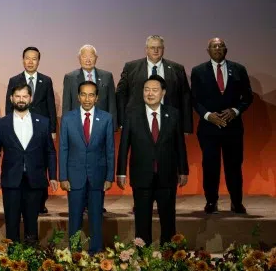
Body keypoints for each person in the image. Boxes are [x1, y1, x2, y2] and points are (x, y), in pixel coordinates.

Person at [117, 75, 189, 246]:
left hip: (167, 176)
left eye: (154, 90)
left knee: (168, 221)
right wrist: (121, 172)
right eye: (146, 90)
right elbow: (124, 145)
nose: (150, 93)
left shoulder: (173, 114)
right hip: (141, 176)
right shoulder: (132, 114)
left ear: (163, 92)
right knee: (142, 221)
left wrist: (183, 170)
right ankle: (143, 256)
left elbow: (180, 144)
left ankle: (169, 255)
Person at [0, 84, 58, 245]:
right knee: (11, 223)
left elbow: (50, 151)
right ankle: (12, 257)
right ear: (11, 98)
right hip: (11, 180)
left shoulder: (43, 122)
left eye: (25, 96)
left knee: (32, 223)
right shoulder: (1, 124)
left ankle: (31, 257)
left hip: (35, 180)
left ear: (30, 98)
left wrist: (53, 176)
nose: (21, 100)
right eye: (18, 96)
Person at [191, 38, 253, 214]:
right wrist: (208, 116)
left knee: (234, 166)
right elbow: (194, 99)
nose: (217, 48)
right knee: (210, 166)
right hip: (208, 128)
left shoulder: (239, 69)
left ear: (226, 49)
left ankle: (236, 202)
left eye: (220, 46)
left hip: (233, 128)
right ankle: (211, 201)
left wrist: (235, 111)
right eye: (214, 46)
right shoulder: (198, 71)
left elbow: (247, 97)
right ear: (208, 50)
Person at [58, 81, 114, 254]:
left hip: (98, 175)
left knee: (96, 217)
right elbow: (63, 148)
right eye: (83, 94)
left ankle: (96, 252)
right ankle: (74, 253)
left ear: (97, 98)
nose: (87, 99)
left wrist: (109, 176)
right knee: (75, 217)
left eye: (91, 95)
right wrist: (63, 176)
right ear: (78, 97)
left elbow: (110, 149)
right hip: (74, 176)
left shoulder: (106, 118)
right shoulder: (68, 118)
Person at [5, 46, 58, 214]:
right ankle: (21, 200)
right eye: (27, 58)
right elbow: (9, 106)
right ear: (23, 60)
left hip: (41, 130)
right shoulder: (14, 80)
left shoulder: (46, 80)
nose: (30, 61)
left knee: (41, 164)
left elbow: (50, 106)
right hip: (19, 126)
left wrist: (52, 129)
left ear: (38, 61)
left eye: (34, 59)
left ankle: (40, 202)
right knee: (21, 162)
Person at [116, 35, 192, 134]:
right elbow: (121, 94)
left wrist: (186, 127)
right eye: (152, 47)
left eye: (159, 47)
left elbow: (185, 97)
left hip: (169, 122)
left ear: (163, 49)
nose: (156, 50)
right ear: (146, 49)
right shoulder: (131, 67)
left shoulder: (177, 69)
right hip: (137, 122)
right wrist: (122, 121)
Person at [62, 44, 117, 130]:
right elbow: (66, 105)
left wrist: (113, 125)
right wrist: (65, 127)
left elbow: (112, 103)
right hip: (77, 124)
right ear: (79, 58)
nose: (88, 60)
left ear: (96, 58)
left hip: (102, 124)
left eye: (91, 56)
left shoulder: (107, 76)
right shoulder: (70, 77)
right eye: (84, 57)